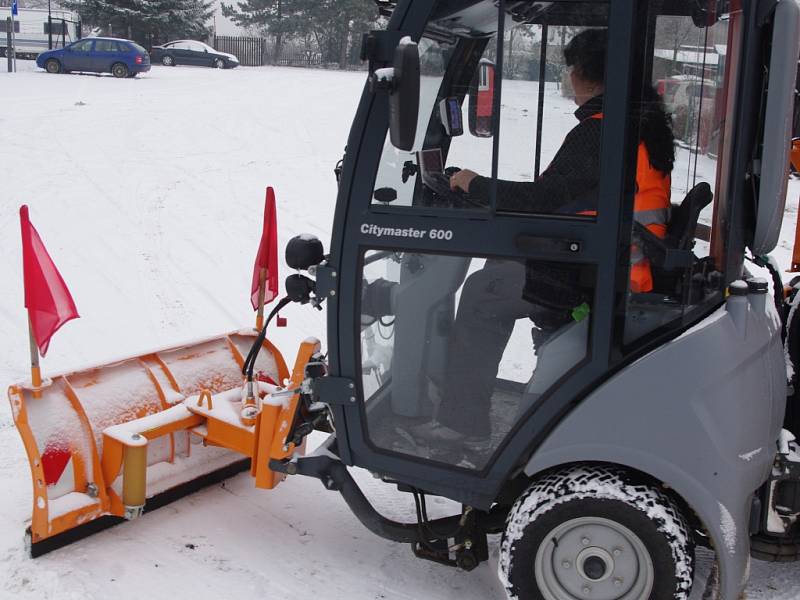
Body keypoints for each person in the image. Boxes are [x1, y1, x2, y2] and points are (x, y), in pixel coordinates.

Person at [416, 28, 675, 446]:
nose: (569, 76)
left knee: (484, 293)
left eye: (571, 67)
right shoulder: (640, 123)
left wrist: (472, 183)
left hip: (604, 274)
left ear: (587, 74)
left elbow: (542, 198)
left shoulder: (602, 130)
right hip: (618, 259)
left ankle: (463, 424)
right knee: (498, 267)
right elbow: (570, 197)